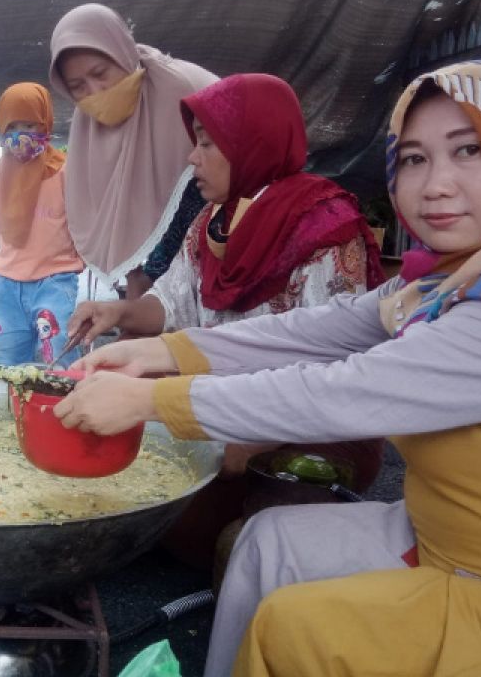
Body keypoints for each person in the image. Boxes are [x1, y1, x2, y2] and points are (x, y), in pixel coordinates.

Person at [54, 60, 481, 676]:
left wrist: (151, 402)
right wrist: (157, 350)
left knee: (293, 626)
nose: (436, 185)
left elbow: (347, 389)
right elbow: (319, 328)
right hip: (440, 532)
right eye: (414, 159)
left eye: (469, 151)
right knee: (266, 544)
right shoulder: (451, 277)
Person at [65, 73, 387, 567]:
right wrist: (119, 311)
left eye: (209, 143)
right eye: (196, 143)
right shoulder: (212, 221)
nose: (193, 157)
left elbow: (333, 368)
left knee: (218, 524)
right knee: (127, 392)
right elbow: (171, 303)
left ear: (251, 143)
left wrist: (254, 436)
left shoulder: (323, 227)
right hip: (225, 395)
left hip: (303, 420)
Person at [49, 3, 219, 297]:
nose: (95, 92)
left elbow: (227, 184)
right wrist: (136, 278)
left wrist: (154, 284)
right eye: (77, 86)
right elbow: (113, 209)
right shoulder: (87, 126)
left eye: (100, 73)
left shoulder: (183, 89)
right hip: (154, 276)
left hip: (210, 254)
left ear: (123, 55)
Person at [0, 82, 84, 366]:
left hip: (55, 278)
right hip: (7, 283)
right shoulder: (0, 175)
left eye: (29, 124)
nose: (20, 136)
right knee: (7, 361)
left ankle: (68, 406)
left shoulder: (64, 171)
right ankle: (13, 408)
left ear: (45, 124)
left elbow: (87, 216)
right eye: (11, 128)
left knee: (59, 353)